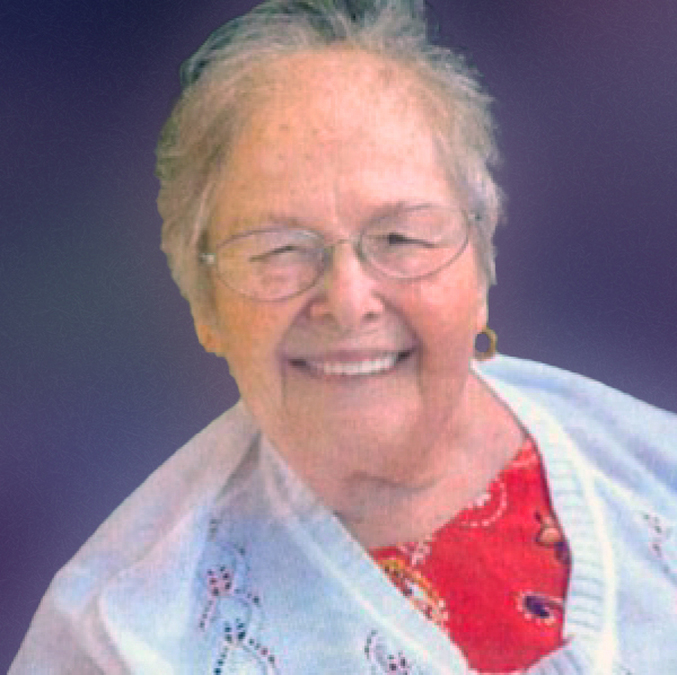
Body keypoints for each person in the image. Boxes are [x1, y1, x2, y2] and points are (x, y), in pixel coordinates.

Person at [10, 1, 677, 673]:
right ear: (204, 305)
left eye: (400, 238)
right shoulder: (117, 636)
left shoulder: (653, 474)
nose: (348, 302)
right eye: (278, 249)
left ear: (480, 266)